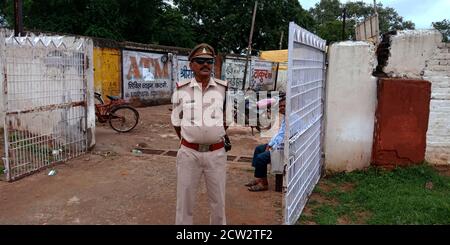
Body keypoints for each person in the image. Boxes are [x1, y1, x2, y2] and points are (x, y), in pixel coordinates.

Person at [171, 43, 229, 225]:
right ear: (191, 65)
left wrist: (212, 135)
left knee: (218, 202)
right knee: (185, 201)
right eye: (200, 61)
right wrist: (192, 138)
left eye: (209, 61)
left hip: (216, 154)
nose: (205, 64)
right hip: (189, 154)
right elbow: (176, 122)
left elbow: (226, 121)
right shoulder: (181, 90)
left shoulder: (223, 89)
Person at [245, 94, 286, 192]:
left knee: (261, 158)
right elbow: (279, 134)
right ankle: (259, 178)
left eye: (284, 106)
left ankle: (264, 184)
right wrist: (270, 144)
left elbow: (285, 137)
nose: (282, 108)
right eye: (280, 106)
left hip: (284, 148)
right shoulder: (286, 117)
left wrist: (272, 146)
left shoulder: (292, 118)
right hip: (279, 145)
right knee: (258, 149)